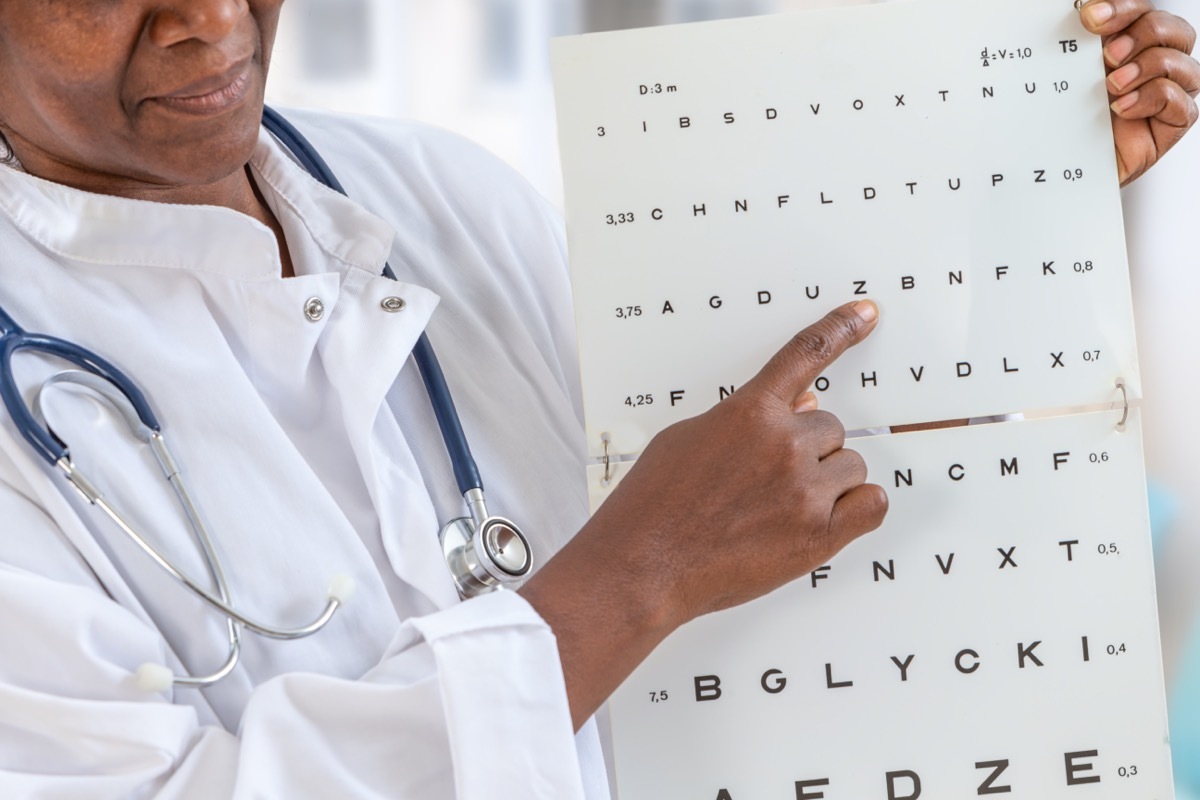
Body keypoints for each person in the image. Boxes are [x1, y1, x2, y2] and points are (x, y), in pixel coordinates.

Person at [0, 1, 1193, 797]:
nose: (208, 19)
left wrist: (1033, 187)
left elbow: (798, 483)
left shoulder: (446, 196)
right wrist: (635, 574)